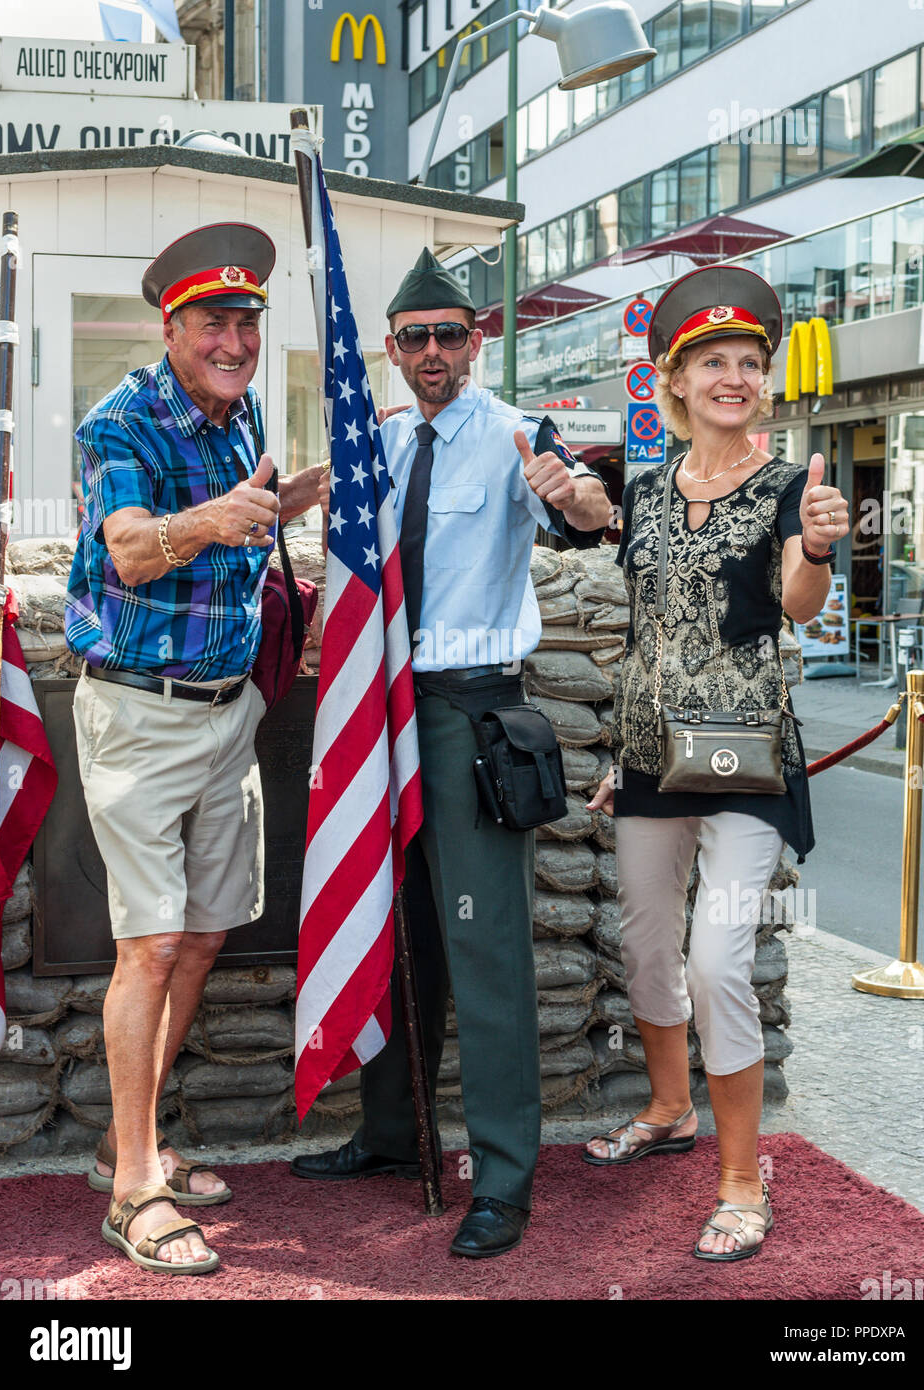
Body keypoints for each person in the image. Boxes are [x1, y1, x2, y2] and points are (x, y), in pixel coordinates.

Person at [283, 248, 612, 1257]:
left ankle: (504, 1177)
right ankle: (392, 1132)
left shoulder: (519, 434)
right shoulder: (375, 437)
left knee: (484, 949)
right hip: (381, 714)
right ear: (390, 348)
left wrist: (583, 498)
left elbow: (589, 516)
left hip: (467, 718)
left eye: (451, 334)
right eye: (415, 336)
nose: (433, 351)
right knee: (396, 931)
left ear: (475, 341)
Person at [65, 223, 325, 1273]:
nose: (233, 339)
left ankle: (124, 1143)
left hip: (228, 714)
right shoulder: (119, 421)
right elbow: (127, 550)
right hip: (138, 712)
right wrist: (217, 518)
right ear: (169, 326)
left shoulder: (243, 413)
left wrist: (296, 494)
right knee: (151, 945)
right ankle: (135, 1187)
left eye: (246, 322)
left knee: (207, 935)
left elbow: (247, 523)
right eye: (213, 321)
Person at [582, 266, 850, 1261]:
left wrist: (816, 549)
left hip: (745, 763)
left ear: (763, 384)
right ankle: (668, 1105)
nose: (734, 375)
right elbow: (643, 636)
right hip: (653, 758)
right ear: (674, 381)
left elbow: (797, 600)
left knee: (716, 957)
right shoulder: (646, 496)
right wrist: (618, 751)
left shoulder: (790, 489)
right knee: (648, 943)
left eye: (750, 361)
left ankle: (744, 1178)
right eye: (713, 362)